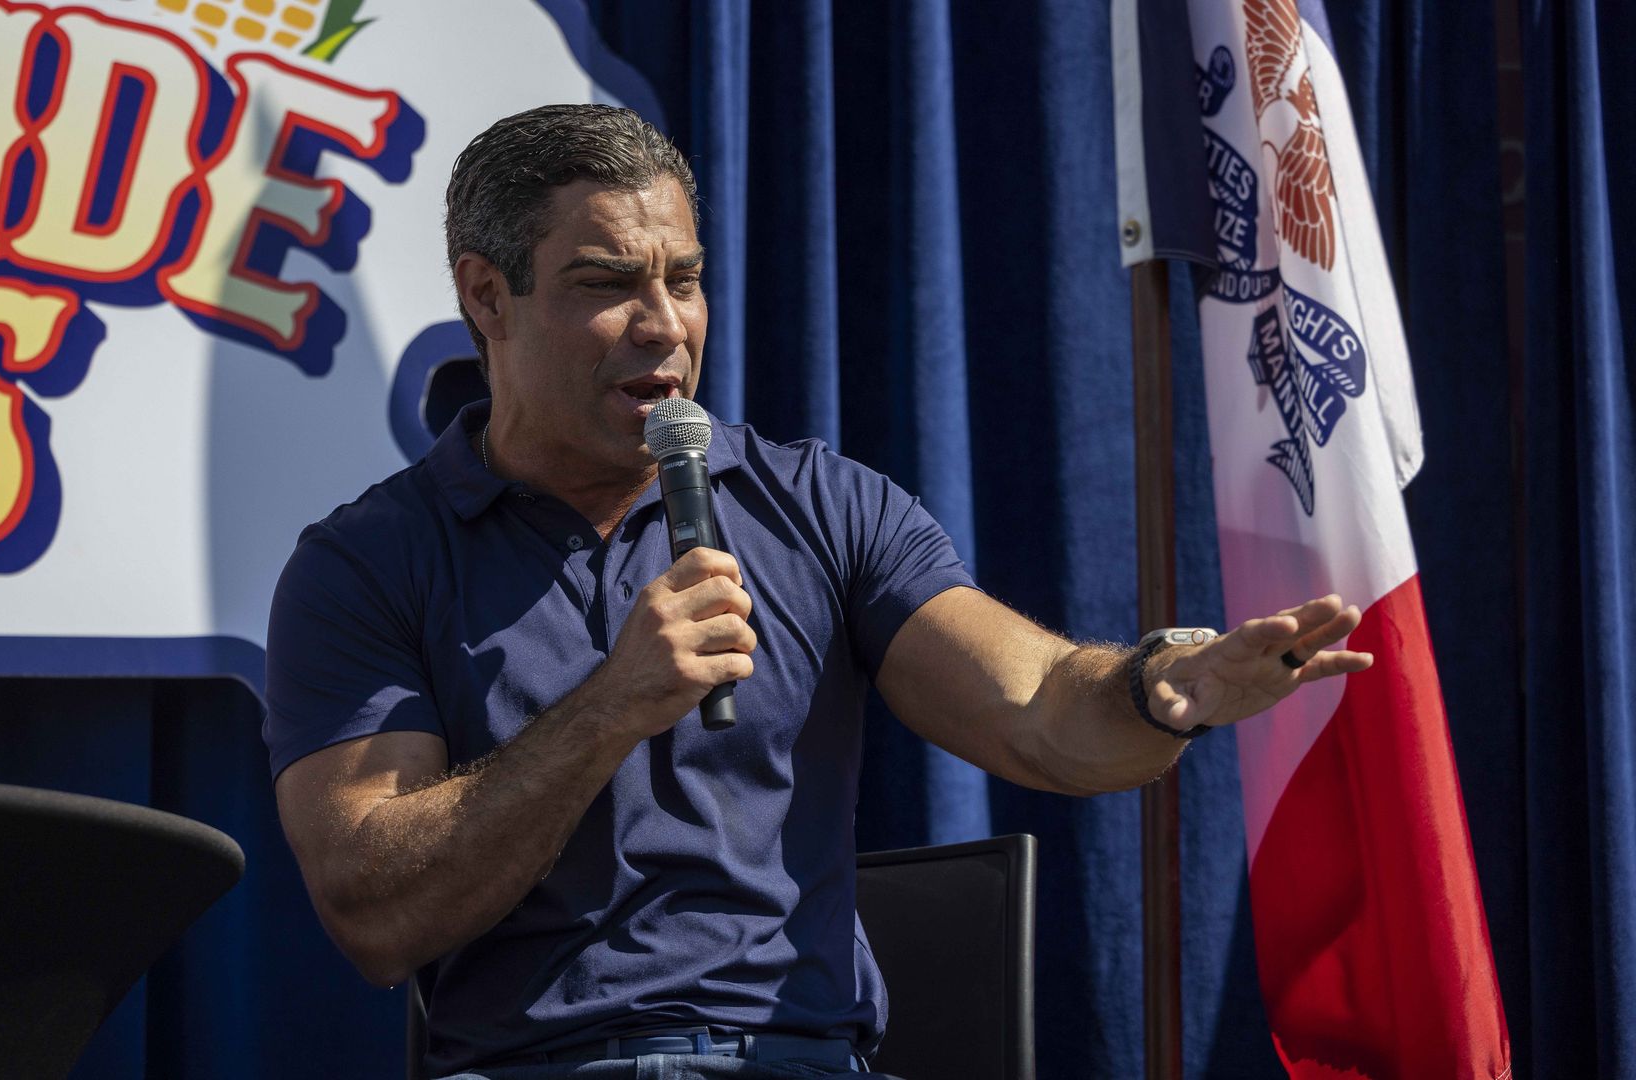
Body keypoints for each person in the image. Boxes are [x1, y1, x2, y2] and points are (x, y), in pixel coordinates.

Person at [263, 104, 1371, 1080]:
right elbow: (374, 910)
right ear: (485, 296)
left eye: (684, 277)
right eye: (606, 285)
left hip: (799, 1059)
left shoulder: (822, 506)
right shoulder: (370, 562)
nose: (665, 326)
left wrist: (1161, 685)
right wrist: (612, 707)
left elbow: (1040, 712)